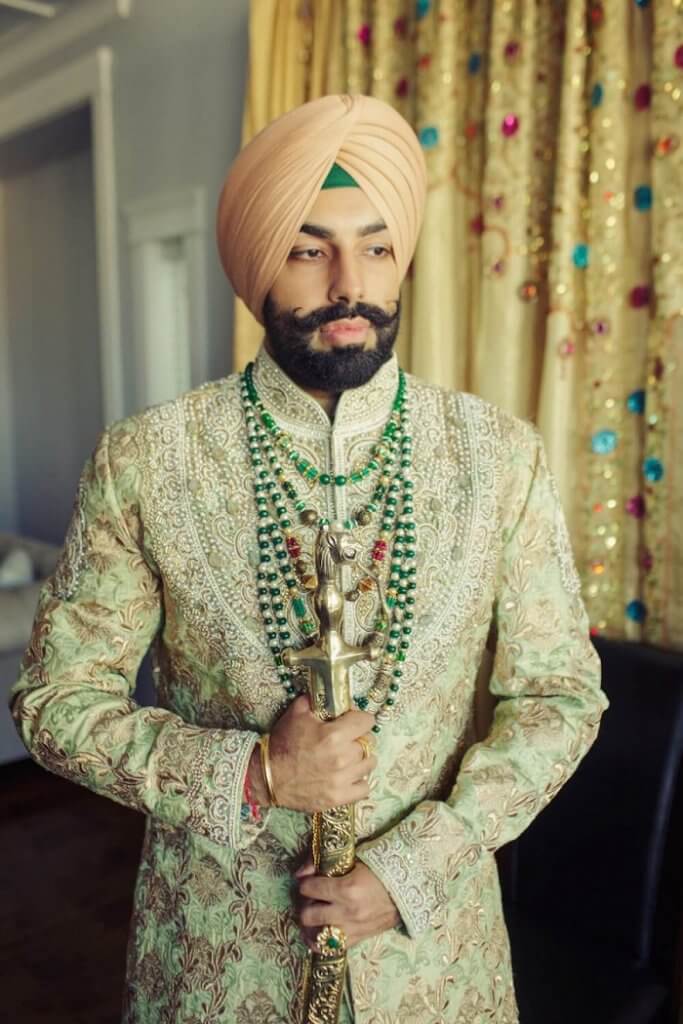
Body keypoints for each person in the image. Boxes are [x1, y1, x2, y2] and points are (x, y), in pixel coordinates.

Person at [10, 94, 608, 1023]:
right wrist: (253, 776)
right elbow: (54, 703)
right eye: (307, 248)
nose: (348, 284)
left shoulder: (497, 457)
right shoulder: (148, 461)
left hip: (432, 960)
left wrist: (414, 865)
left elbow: (560, 696)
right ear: (256, 267)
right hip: (215, 959)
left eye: (375, 246)